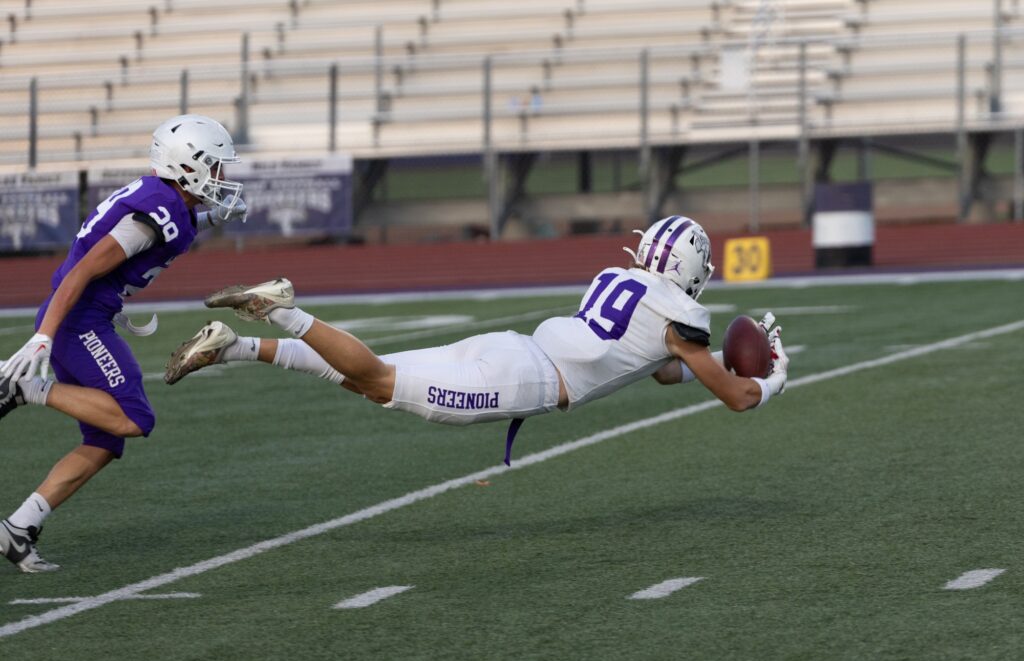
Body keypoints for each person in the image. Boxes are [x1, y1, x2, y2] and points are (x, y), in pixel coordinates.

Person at [164, 216, 790, 466]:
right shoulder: (681, 317)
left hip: (512, 347)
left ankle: (233, 346)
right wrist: (771, 379)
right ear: (691, 270)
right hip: (527, 381)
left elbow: (659, 368)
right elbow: (734, 397)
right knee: (379, 383)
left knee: (365, 377)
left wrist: (716, 369)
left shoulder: (616, 276)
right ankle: (283, 313)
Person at [0, 114, 249, 573]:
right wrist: (44, 336)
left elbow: (169, 230)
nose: (221, 177)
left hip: (89, 317)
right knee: (134, 418)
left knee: (106, 439)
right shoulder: (154, 213)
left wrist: (213, 216)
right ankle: (23, 390)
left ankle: (18, 528)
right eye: (213, 166)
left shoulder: (167, 199)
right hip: (79, 320)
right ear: (186, 165)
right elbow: (82, 271)